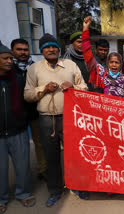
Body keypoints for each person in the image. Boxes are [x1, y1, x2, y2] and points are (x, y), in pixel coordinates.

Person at [24, 33, 88, 207]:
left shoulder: (70, 65)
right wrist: (44, 88)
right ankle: (55, 190)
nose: (51, 49)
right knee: (51, 157)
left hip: (70, 117)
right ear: (42, 50)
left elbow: (84, 87)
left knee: (74, 155)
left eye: (54, 46)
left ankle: (76, 186)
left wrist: (73, 87)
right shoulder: (34, 69)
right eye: (47, 47)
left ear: (58, 48)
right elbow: (28, 95)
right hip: (46, 120)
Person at [0, 41, 36, 214]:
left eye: (10, 58)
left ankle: (23, 193)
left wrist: (24, 120)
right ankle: (2, 198)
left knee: (22, 166)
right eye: (5, 58)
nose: (9, 61)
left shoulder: (19, 78)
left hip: (18, 129)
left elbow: (27, 100)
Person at [11, 38, 47, 181]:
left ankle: (43, 169)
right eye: (19, 50)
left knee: (39, 143)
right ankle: (23, 175)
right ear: (12, 50)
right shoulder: (8, 69)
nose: (23, 53)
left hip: (34, 111)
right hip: (15, 114)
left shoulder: (36, 68)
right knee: (19, 147)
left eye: (25, 50)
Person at [82, 16, 124, 98]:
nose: (114, 65)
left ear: (121, 65)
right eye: (111, 62)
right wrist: (85, 30)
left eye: (117, 62)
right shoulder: (100, 74)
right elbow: (87, 53)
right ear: (107, 63)